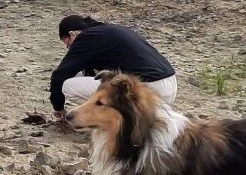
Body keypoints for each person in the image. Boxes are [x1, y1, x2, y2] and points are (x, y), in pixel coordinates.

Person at [48, 15, 178, 121]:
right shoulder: (108, 30)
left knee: (67, 85)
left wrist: (58, 107)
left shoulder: (86, 38)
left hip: (147, 89)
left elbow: (60, 76)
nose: (69, 49)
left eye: (68, 45)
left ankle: (118, 120)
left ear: (72, 35)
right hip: (170, 85)